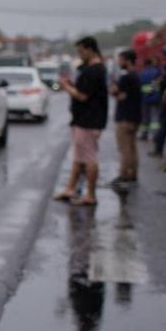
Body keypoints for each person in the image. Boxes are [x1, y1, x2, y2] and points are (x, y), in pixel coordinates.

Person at [55, 37, 108, 206]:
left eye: (81, 51)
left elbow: (82, 95)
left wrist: (66, 87)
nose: (80, 55)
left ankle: (91, 195)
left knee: (89, 158)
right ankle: (71, 188)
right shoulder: (93, 70)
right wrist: (72, 85)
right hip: (84, 120)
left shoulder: (93, 71)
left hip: (88, 121)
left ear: (90, 49)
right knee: (78, 157)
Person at [109, 50, 142, 184]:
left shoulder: (126, 77)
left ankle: (124, 174)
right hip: (135, 117)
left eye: (121, 60)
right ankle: (133, 173)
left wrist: (116, 91)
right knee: (132, 147)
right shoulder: (136, 76)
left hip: (125, 118)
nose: (119, 62)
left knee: (125, 148)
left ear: (127, 60)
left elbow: (113, 91)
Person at [137, 57, 161, 141]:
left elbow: (139, 85)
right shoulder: (156, 72)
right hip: (156, 98)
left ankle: (144, 134)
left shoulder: (142, 73)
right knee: (155, 117)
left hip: (144, 98)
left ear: (145, 64)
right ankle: (155, 135)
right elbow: (158, 84)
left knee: (145, 117)